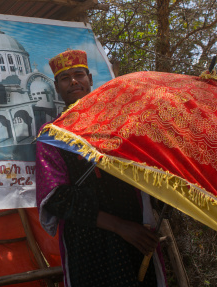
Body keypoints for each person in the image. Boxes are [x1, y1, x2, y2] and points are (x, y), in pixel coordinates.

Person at [35, 49, 164, 287]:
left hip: (137, 233)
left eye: (79, 75)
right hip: (88, 242)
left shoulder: (119, 123)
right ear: (57, 87)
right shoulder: (52, 134)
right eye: (65, 78)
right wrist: (121, 227)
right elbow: (56, 198)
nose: (74, 81)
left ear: (90, 79)